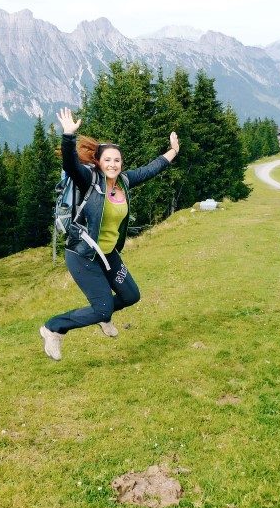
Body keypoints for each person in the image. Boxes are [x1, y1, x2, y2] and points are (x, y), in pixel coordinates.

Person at [39, 107, 179, 361]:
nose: (113, 164)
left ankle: (102, 316)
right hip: (82, 255)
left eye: (117, 160)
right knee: (102, 309)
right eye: (108, 160)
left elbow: (150, 169)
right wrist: (69, 136)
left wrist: (173, 152)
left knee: (130, 295)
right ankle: (53, 328)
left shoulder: (124, 182)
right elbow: (70, 164)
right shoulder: (89, 180)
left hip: (107, 254)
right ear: (99, 163)